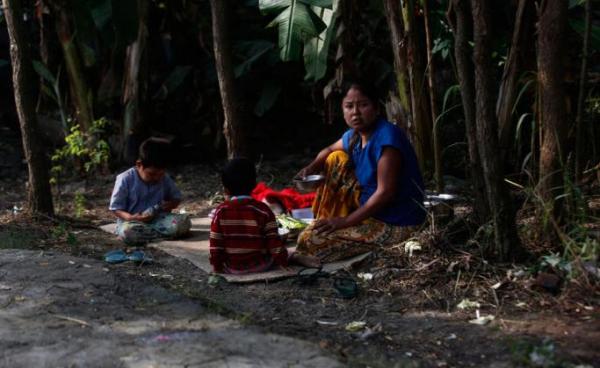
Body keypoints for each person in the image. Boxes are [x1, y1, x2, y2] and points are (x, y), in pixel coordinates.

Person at [295, 80, 426, 264]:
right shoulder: (354, 136)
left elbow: (385, 193)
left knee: (311, 241)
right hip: (368, 214)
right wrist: (312, 167)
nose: (355, 112)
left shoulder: (387, 138)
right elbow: (328, 150)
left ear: (376, 108)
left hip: (396, 222)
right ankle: (329, 221)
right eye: (349, 106)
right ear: (343, 110)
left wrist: (345, 221)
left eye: (363, 105)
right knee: (335, 158)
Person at [209, 158, 290, 274]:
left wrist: (217, 267)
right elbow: (274, 242)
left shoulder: (220, 211)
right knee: (288, 252)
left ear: (225, 189)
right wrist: (283, 262)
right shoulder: (263, 210)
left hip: (232, 268)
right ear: (255, 185)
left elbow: (215, 244)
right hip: (261, 265)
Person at [109, 138, 191, 245]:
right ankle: (159, 235)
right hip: (133, 222)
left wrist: (169, 205)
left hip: (159, 220)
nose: (156, 178)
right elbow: (116, 208)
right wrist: (131, 217)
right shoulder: (125, 179)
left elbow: (176, 198)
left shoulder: (164, 178)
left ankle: (148, 236)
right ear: (139, 165)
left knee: (184, 222)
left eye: (160, 174)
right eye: (151, 174)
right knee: (128, 231)